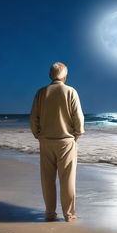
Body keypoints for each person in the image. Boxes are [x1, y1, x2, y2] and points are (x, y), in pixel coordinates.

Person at [30, 62, 85, 222]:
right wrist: (78, 134)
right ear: (65, 76)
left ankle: (49, 213)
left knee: (47, 179)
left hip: (46, 141)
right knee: (67, 179)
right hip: (66, 141)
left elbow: (33, 118)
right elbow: (78, 117)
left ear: (50, 75)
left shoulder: (41, 93)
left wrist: (37, 134)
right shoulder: (70, 91)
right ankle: (68, 214)